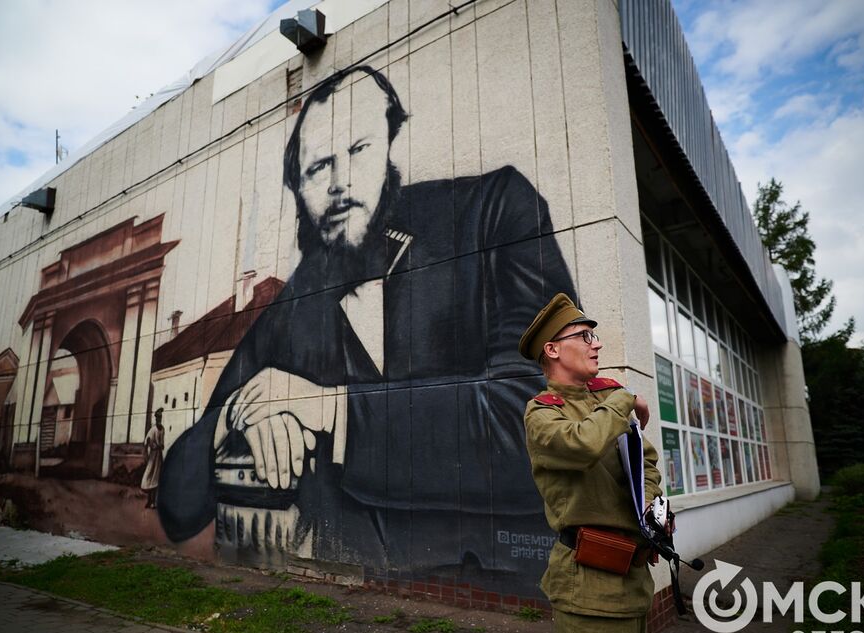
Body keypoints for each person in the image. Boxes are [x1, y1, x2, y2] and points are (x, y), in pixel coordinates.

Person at [159, 66, 576, 579]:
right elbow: (179, 505)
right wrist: (237, 418)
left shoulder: (490, 214)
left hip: (510, 600)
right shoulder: (296, 304)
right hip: (342, 619)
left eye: (358, 151)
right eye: (317, 169)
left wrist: (327, 409)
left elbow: (545, 418)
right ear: (297, 190)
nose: (340, 183)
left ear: (387, 149)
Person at [519, 293, 662, 633]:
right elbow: (582, 444)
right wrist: (624, 400)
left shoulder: (609, 398)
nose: (596, 343)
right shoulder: (542, 414)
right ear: (552, 350)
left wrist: (648, 507)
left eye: (593, 336)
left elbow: (646, 462)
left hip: (633, 580)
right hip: (588, 585)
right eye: (584, 336)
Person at [141, 408, 165, 509]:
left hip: (158, 456)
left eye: (160, 417)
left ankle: (153, 502)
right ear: (155, 419)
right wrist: (148, 451)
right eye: (157, 418)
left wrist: (160, 446)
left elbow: (162, 444)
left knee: (156, 478)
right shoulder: (153, 429)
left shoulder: (162, 429)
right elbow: (147, 441)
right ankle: (149, 500)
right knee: (149, 476)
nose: (159, 419)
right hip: (153, 456)